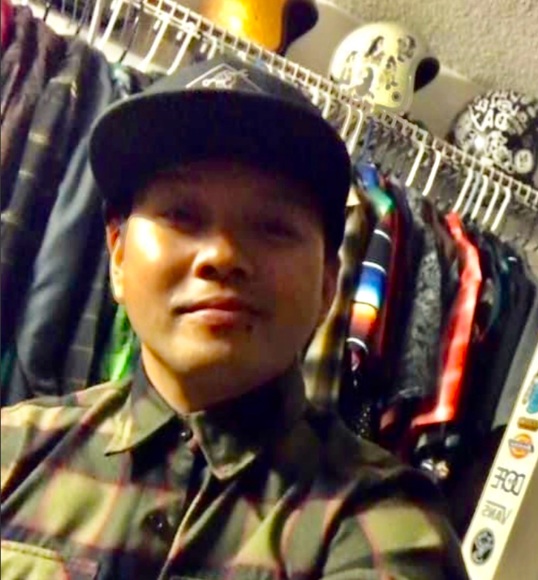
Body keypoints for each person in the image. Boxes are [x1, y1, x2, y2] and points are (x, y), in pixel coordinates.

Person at [0, 54, 469, 579]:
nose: (222, 255)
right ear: (119, 256)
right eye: (181, 215)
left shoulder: (381, 523)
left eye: (273, 226)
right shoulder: (13, 451)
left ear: (326, 286)